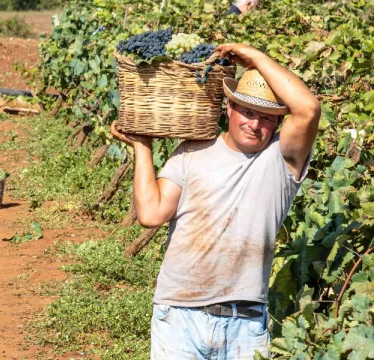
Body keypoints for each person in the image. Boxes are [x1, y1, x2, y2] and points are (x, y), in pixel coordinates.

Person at [110, 43, 320, 359]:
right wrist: (143, 148)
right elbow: (151, 214)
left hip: (244, 323)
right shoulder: (191, 152)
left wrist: (257, 58)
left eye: (266, 118)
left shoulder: (282, 159)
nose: (255, 124)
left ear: (277, 124)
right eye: (247, 112)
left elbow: (308, 109)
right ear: (229, 109)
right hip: (179, 314)